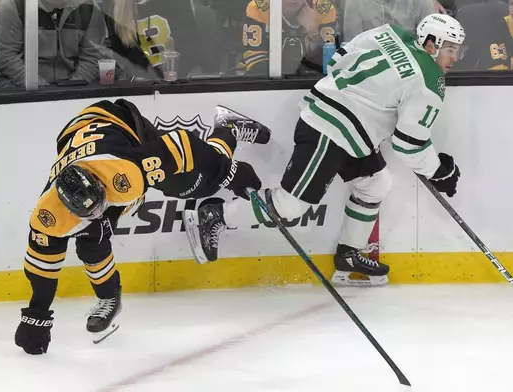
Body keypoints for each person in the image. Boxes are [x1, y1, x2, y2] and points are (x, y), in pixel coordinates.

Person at [185, 14, 465, 286]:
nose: (454, 58)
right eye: (450, 49)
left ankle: (348, 254)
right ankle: (216, 215)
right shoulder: (429, 83)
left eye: (457, 50)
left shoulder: (391, 32)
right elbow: (408, 144)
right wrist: (439, 170)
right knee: (290, 206)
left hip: (347, 129)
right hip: (328, 130)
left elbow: (340, 55)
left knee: (376, 183)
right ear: (431, 44)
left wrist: (357, 99)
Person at [15, 99, 270, 355]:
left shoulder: (126, 172)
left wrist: (232, 173)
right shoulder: (49, 214)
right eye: (90, 211)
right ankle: (109, 296)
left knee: (192, 183)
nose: (99, 213)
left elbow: (184, 145)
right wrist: (35, 316)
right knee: (93, 234)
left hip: (122, 124)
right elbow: (42, 264)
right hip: (77, 136)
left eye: (100, 204)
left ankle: (227, 129)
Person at [241, 0, 337, 76]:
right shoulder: (258, 7)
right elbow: (256, 67)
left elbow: (330, 66)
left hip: (310, 84)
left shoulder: (324, 9)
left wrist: (313, 31)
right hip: (268, 85)